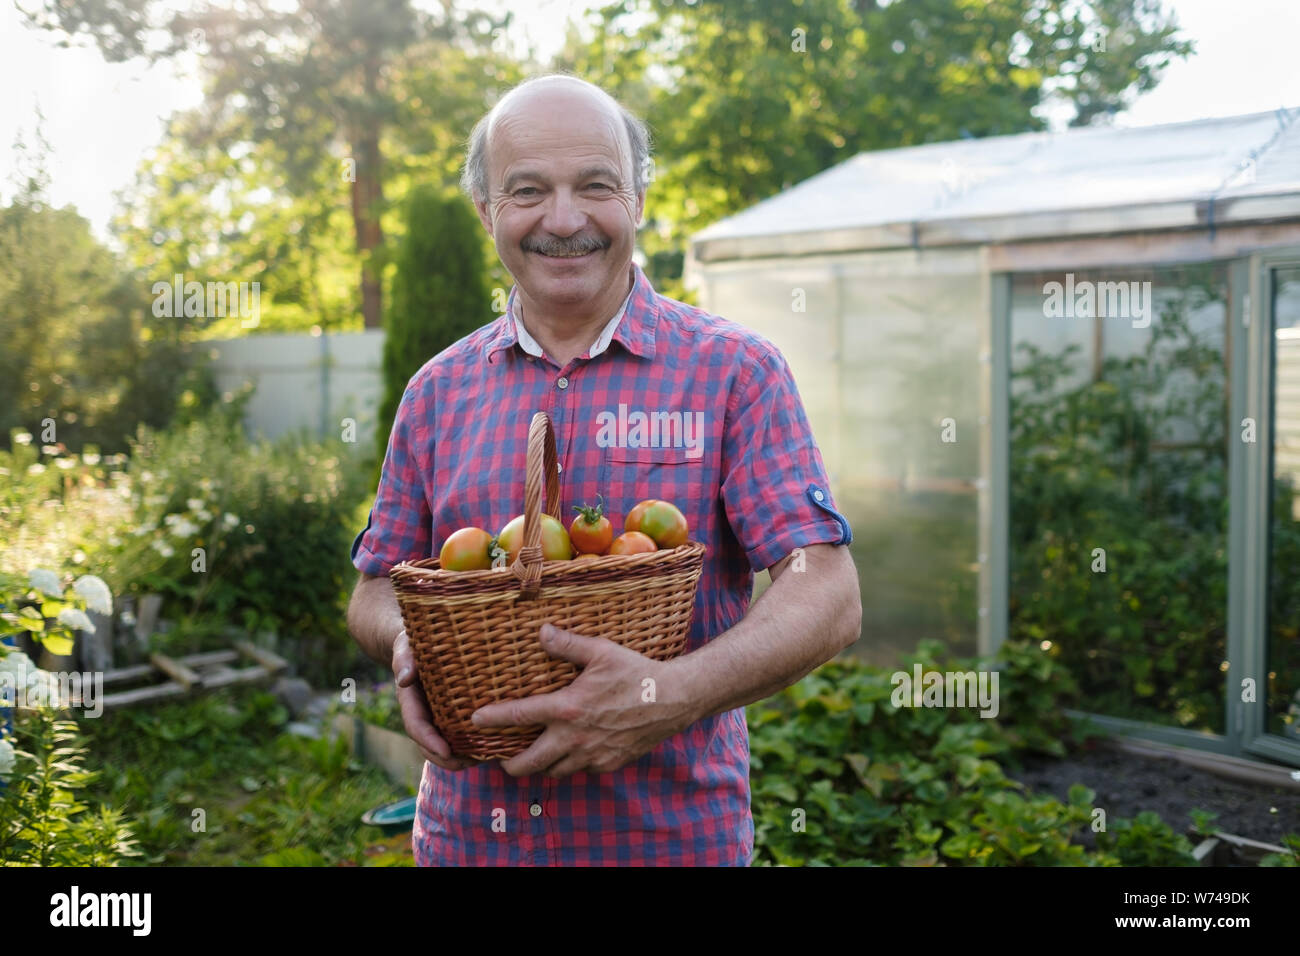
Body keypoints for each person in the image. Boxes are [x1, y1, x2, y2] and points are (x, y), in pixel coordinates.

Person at [346, 73, 862, 866]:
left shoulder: (734, 372)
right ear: (487, 212)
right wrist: (412, 648)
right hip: (469, 846)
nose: (564, 219)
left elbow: (825, 588)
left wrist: (670, 693)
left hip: (665, 846)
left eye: (596, 185)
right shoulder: (436, 392)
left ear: (639, 201)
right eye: (527, 191)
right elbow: (378, 586)